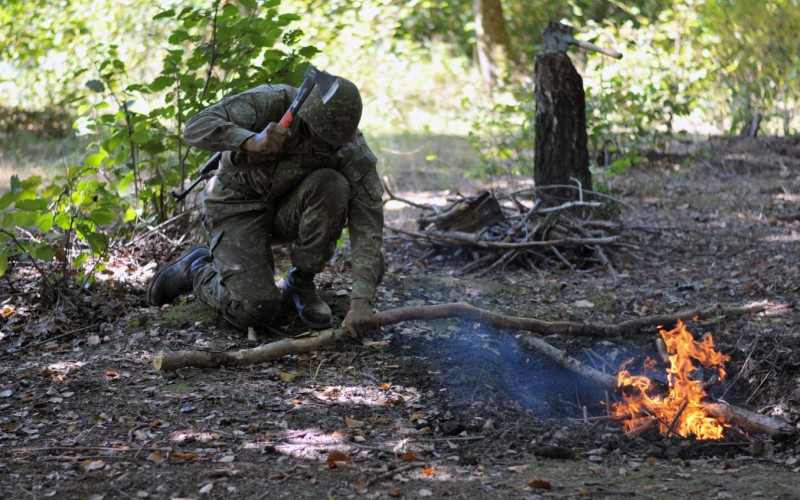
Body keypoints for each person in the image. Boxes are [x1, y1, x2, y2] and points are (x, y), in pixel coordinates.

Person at [146, 74, 384, 339]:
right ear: (305, 114)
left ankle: (300, 283)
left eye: (330, 143)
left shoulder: (351, 150)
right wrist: (251, 140)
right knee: (254, 309)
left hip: (285, 211)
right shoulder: (272, 101)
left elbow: (368, 226)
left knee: (333, 184)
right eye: (316, 137)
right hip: (234, 208)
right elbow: (195, 126)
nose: (322, 146)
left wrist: (361, 300)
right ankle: (196, 268)